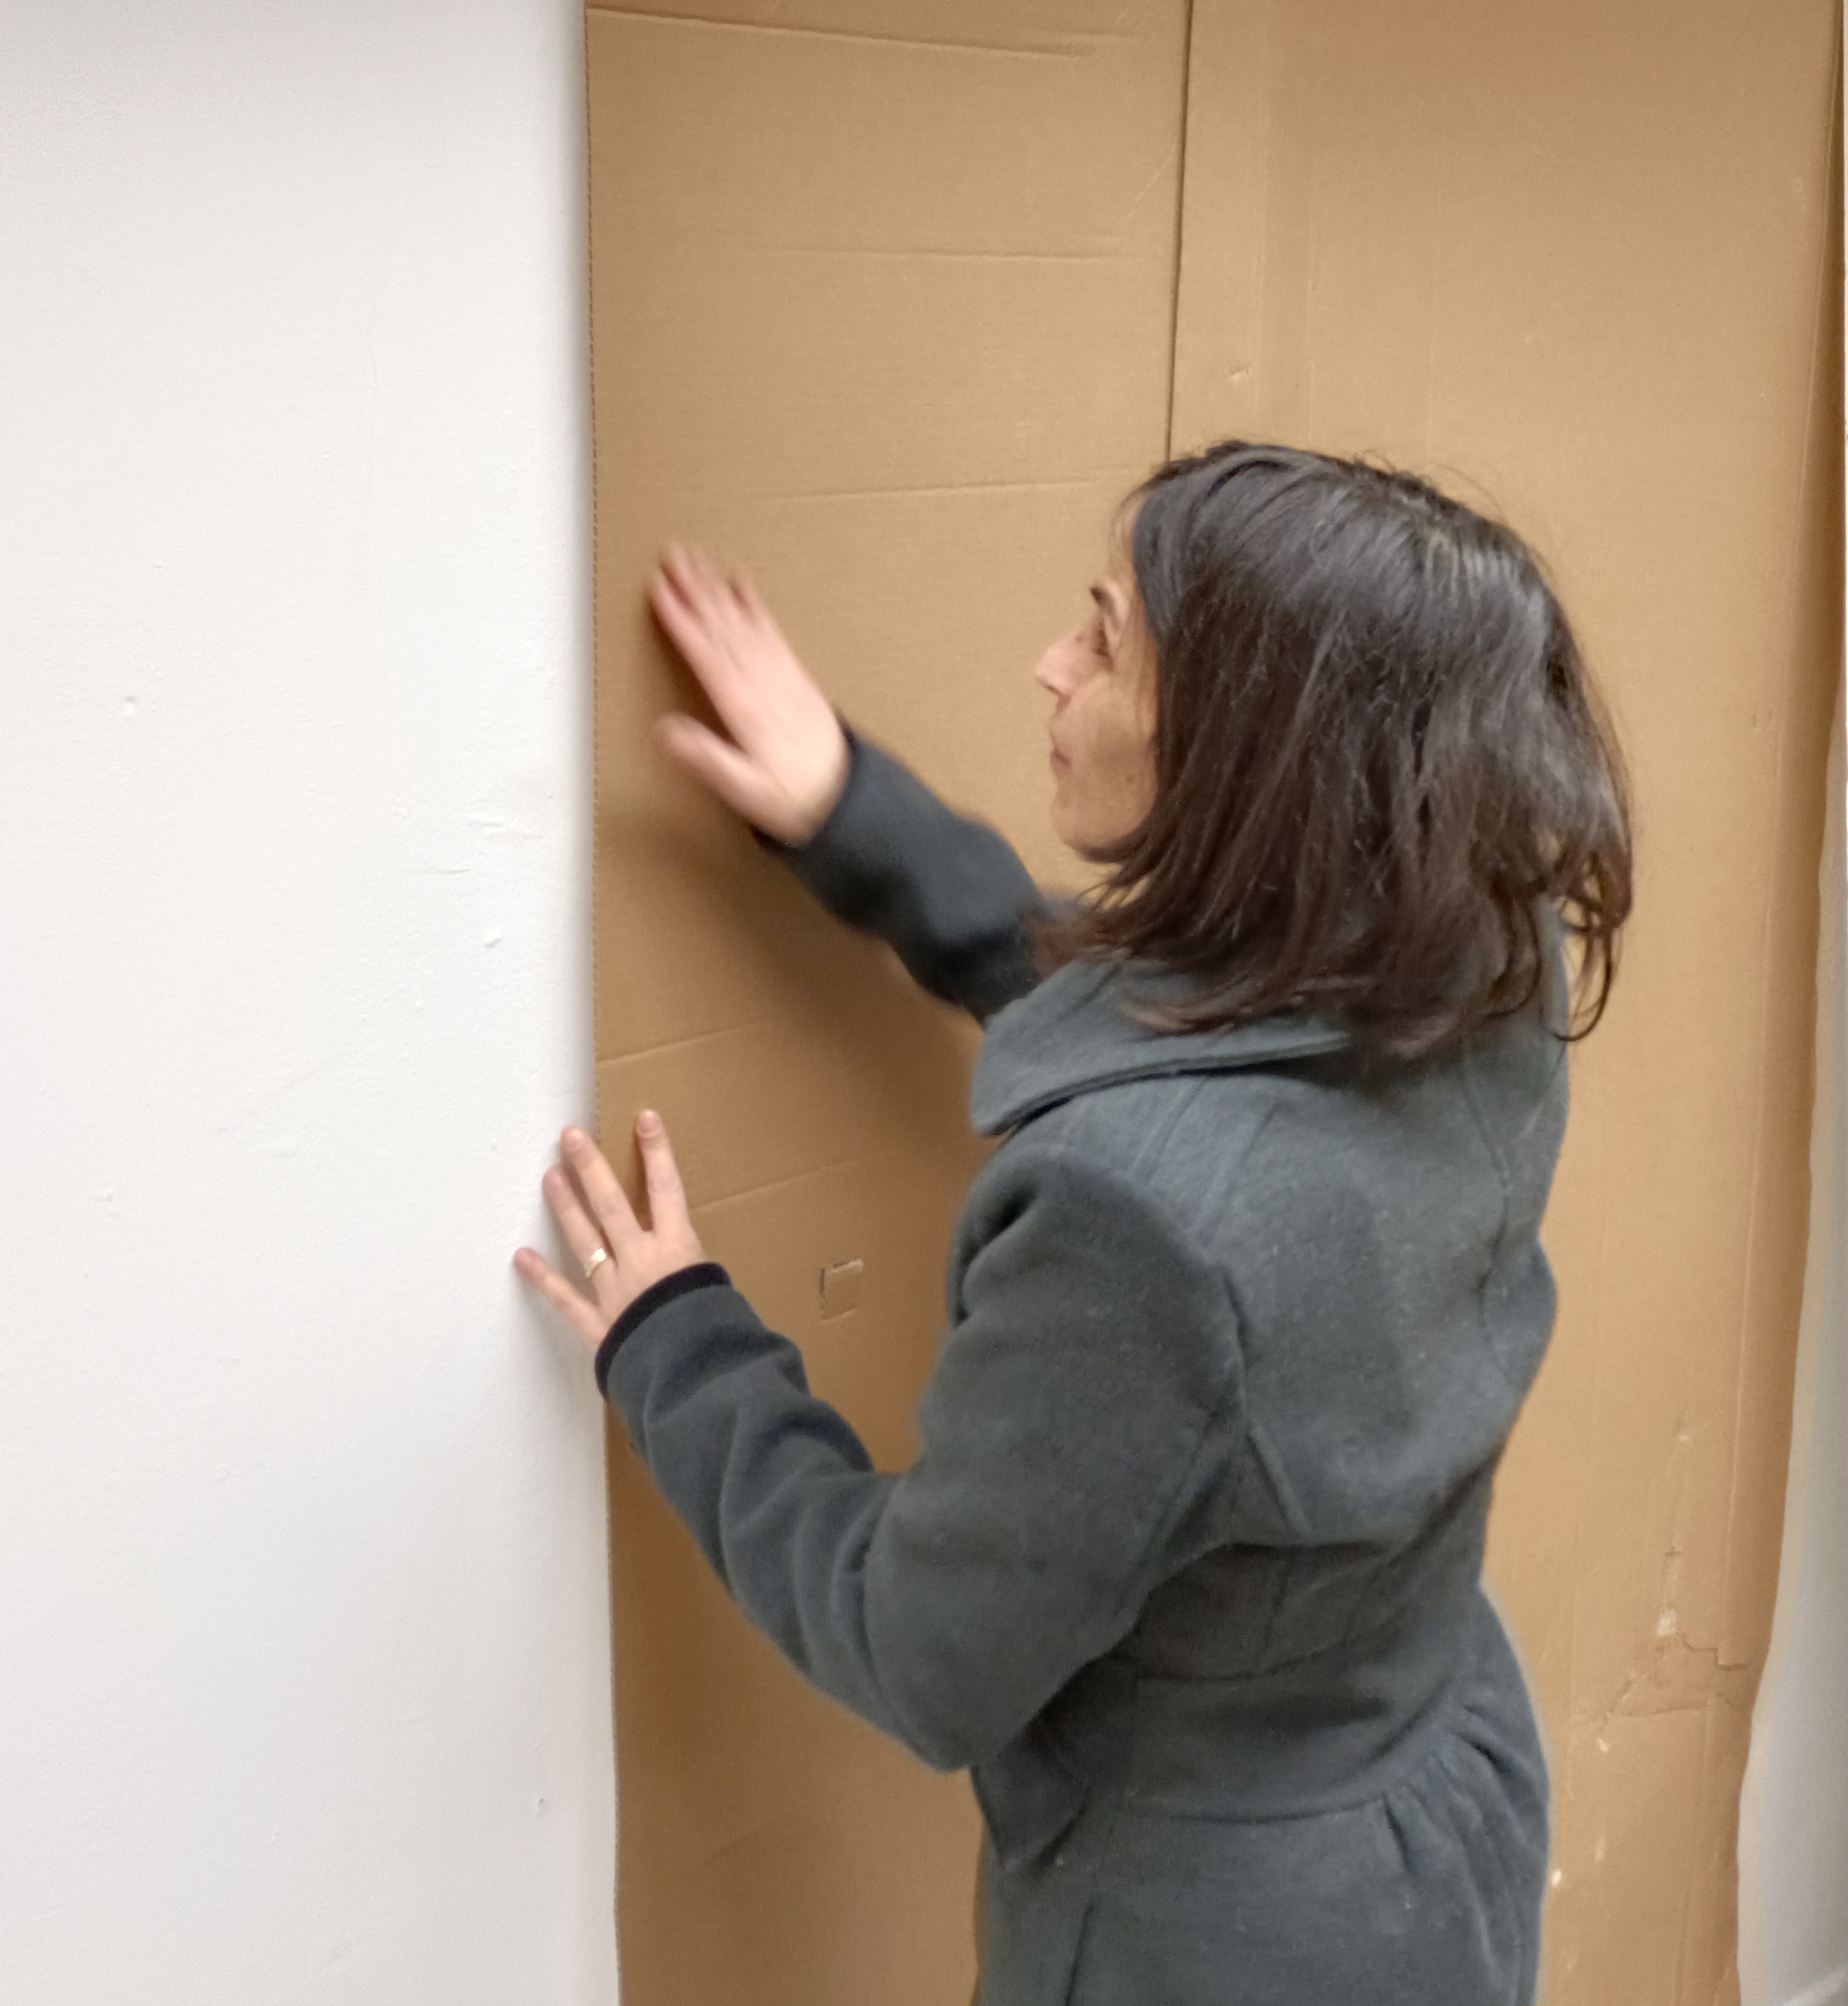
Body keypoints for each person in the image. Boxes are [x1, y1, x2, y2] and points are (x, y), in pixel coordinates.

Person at [514, 437, 1633, 2005]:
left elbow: (920, 1649)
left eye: (1106, 638)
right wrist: (859, 816)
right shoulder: (1478, 953)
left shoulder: (1142, 1223)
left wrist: (677, 1341)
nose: (1053, 664)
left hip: (1209, 1942)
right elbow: (1228, 1044)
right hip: (1433, 1810)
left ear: (1243, 757)